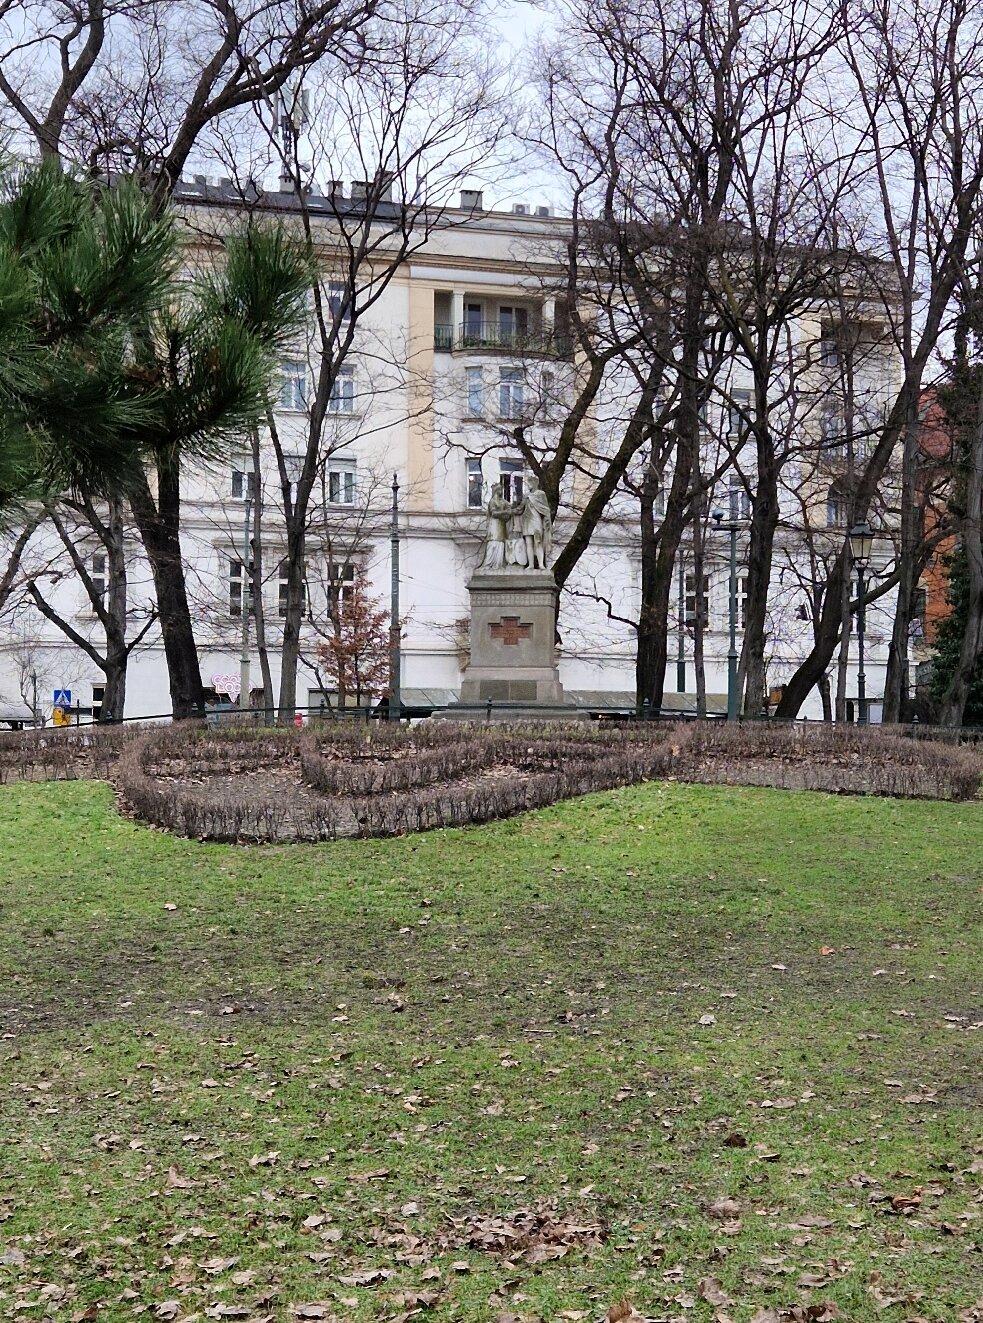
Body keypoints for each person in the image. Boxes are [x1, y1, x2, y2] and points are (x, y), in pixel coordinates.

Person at [519, 475, 552, 569]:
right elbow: (520, 508)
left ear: (534, 483)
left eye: (529, 483)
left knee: (538, 542)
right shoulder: (526, 495)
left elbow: (545, 508)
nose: (528, 485)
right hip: (527, 521)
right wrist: (509, 510)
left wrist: (546, 520)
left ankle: (541, 564)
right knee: (528, 543)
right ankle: (531, 564)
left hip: (536, 520)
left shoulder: (540, 494)